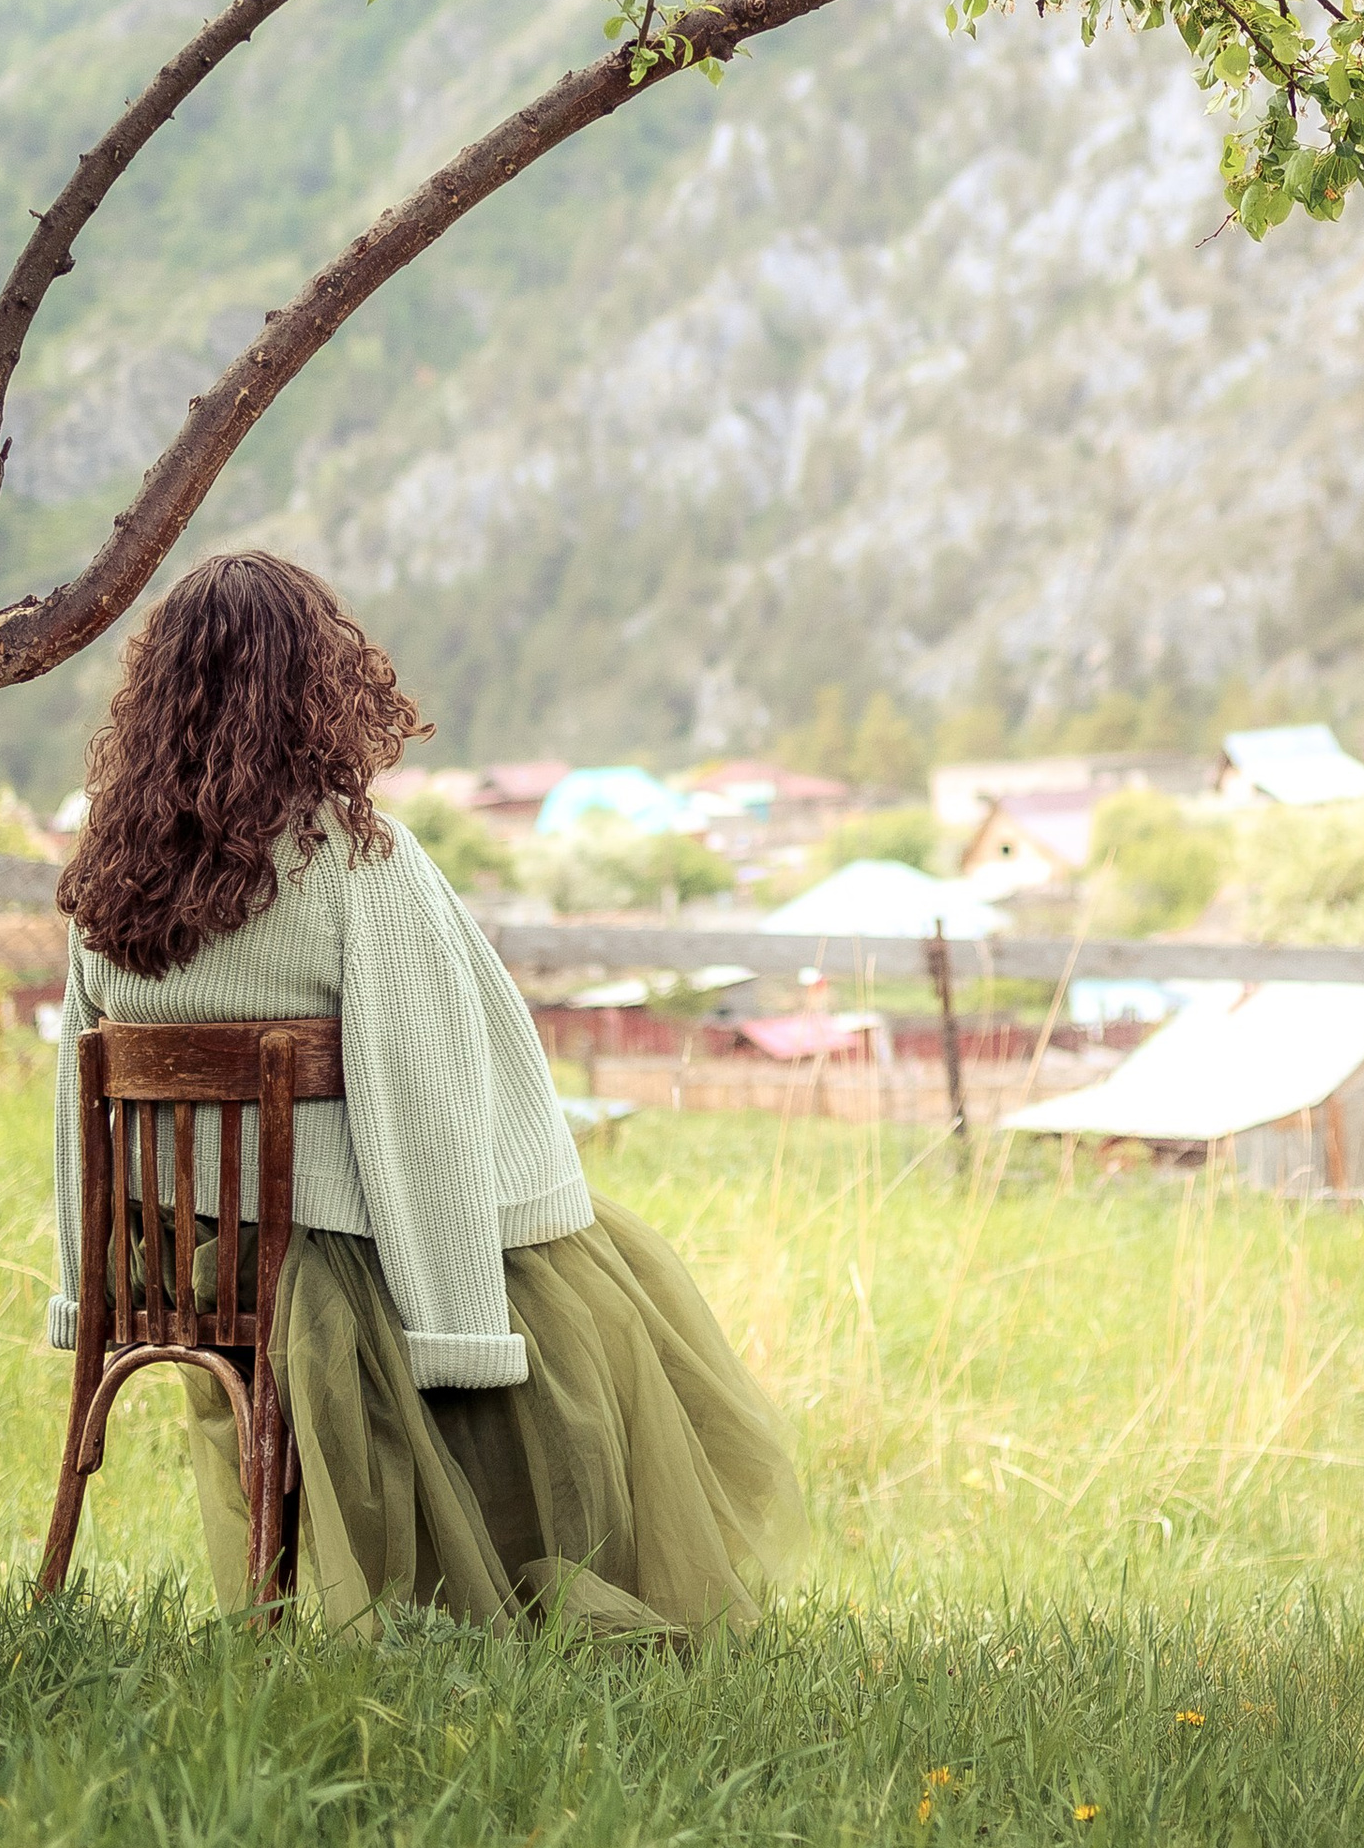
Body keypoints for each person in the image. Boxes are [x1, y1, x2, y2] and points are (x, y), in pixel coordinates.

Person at [49, 548, 801, 1641]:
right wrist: (460, 1322)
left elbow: (77, 1108)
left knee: (543, 1275)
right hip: (323, 1270)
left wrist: (87, 1289)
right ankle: (525, 1597)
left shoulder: (102, 886)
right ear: (319, 688)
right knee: (585, 1297)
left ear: (156, 699)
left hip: (183, 1269)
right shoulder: (356, 862)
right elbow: (427, 1095)